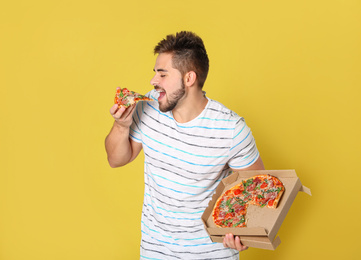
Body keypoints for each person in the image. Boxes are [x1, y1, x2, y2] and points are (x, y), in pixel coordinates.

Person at [105, 31, 265, 260]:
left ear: (189, 78)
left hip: (211, 253)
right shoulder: (148, 106)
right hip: (155, 252)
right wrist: (121, 125)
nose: (153, 82)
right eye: (155, 74)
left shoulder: (231, 129)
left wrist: (243, 233)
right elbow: (116, 159)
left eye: (162, 74)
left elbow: (256, 188)